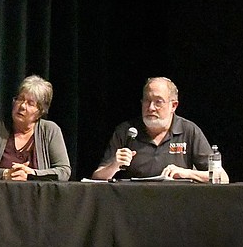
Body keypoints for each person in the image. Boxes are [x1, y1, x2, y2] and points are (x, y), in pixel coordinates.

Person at [90, 77, 223, 182]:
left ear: (173, 105)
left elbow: (221, 177)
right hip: (132, 205)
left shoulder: (189, 130)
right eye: (147, 101)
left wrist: (187, 173)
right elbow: (97, 177)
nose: (151, 107)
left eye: (158, 102)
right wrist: (114, 165)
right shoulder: (126, 131)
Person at [0, 75, 71, 181]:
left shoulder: (50, 130)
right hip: (0, 195)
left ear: (40, 112)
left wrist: (32, 174)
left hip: (38, 196)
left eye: (30, 103)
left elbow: (64, 171)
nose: (22, 106)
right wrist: (6, 174)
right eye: (20, 99)